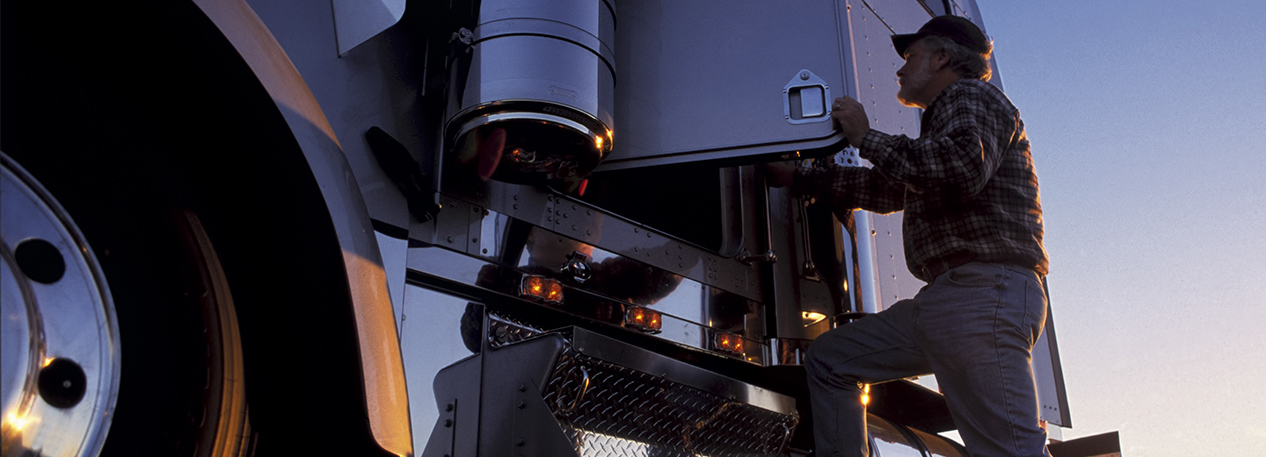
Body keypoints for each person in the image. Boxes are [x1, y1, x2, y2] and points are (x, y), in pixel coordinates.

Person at [764, 15, 1051, 457]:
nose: (898, 69)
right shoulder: (946, 121)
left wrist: (866, 137)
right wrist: (800, 178)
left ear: (942, 58)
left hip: (981, 294)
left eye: (910, 56)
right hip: (949, 299)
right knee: (831, 360)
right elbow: (889, 188)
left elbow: (960, 168)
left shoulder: (971, 95)